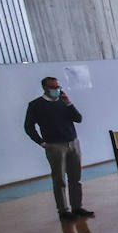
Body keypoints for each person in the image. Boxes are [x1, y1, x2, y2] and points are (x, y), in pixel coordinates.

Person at [24, 76, 91, 222]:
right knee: (59, 179)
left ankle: (77, 207)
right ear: (45, 88)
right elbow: (28, 127)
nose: (56, 90)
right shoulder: (36, 105)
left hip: (72, 142)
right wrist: (41, 142)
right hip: (54, 145)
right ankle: (63, 210)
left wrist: (69, 103)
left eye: (58, 87)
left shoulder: (63, 102)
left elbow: (78, 118)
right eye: (53, 87)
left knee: (75, 178)